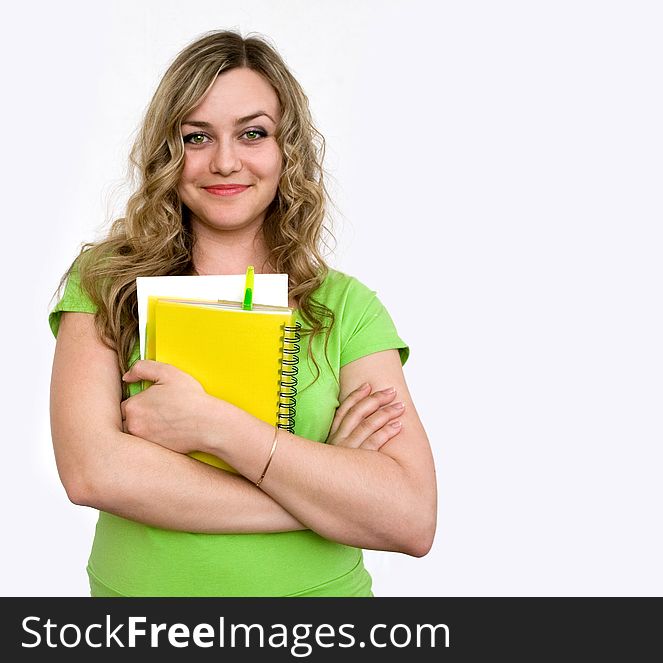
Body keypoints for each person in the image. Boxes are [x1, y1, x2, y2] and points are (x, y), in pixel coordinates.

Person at [48, 29, 436, 597]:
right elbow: (91, 472)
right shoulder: (108, 283)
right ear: (167, 152)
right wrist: (322, 494)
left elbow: (410, 517)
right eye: (197, 136)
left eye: (252, 134)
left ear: (288, 151)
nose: (225, 161)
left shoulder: (347, 307)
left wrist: (215, 427)